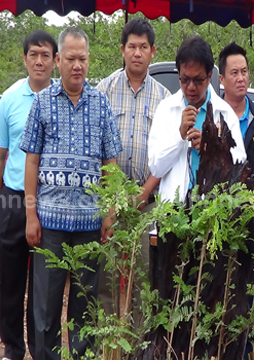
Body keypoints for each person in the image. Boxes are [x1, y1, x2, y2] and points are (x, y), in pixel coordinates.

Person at [19, 27, 122, 360]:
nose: (77, 65)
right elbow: (31, 161)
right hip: (49, 225)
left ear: (89, 60)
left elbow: (110, 162)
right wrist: (31, 215)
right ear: (59, 60)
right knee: (45, 308)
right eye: (71, 59)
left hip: (90, 226)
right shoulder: (42, 103)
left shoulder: (101, 104)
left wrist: (109, 213)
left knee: (84, 307)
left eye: (83, 59)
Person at [0, 30, 57, 360]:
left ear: (55, 61)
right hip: (13, 200)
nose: (39, 61)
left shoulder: (62, 99)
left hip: (49, 202)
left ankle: (41, 350)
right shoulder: (11, 99)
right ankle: (12, 349)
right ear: (25, 58)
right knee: (8, 283)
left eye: (45, 55)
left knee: (43, 288)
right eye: (34, 54)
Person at [96, 17, 170, 314]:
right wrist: (111, 201)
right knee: (107, 277)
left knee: (143, 279)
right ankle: (106, 348)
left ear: (153, 51)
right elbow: (95, 146)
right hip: (109, 201)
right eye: (131, 46)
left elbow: (166, 153)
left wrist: (143, 194)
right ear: (122, 50)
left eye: (143, 47)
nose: (137, 53)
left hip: (146, 203)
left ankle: (137, 349)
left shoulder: (164, 98)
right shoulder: (104, 90)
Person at [148, 35, 246, 202]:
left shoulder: (225, 113)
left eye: (198, 80)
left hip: (211, 215)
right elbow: (156, 168)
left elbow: (239, 168)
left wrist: (211, 149)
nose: (191, 87)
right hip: (173, 216)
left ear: (209, 77)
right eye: (185, 79)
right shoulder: (166, 109)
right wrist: (179, 136)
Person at [218, 41, 254, 171]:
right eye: (234, 73)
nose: (241, 78)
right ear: (221, 79)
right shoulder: (212, 117)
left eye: (244, 72)